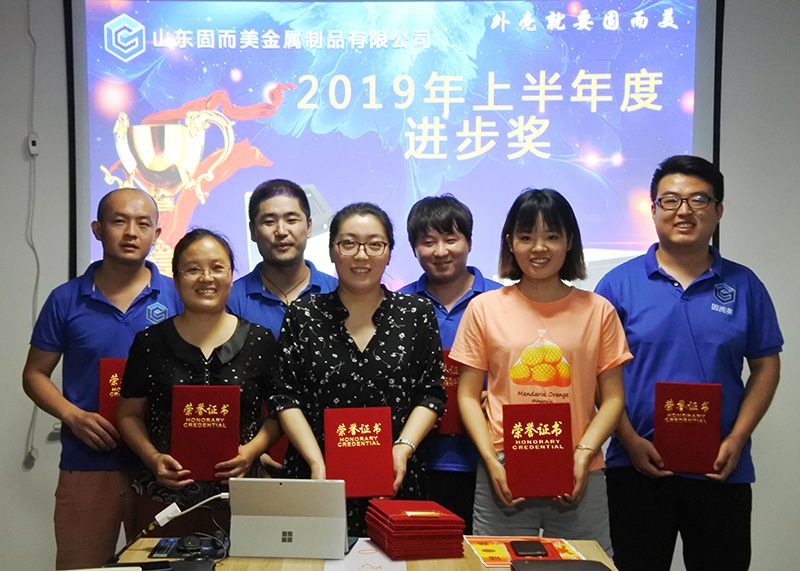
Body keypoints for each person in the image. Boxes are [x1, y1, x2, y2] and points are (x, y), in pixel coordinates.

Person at [594, 155, 783, 571]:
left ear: (718, 210)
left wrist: (738, 438)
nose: (684, 211)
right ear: (653, 208)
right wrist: (628, 438)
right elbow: (598, 373)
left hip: (721, 468)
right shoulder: (618, 285)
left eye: (698, 200)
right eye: (671, 200)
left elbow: (766, 365)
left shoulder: (745, 284)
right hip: (636, 465)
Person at [450, 188, 630, 554]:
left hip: (579, 465)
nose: (539, 248)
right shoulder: (484, 308)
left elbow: (613, 399)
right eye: (526, 237)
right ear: (510, 243)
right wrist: (490, 461)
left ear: (569, 242)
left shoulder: (598, 311)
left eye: (552, 236)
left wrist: (583, 454)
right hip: (504, 466)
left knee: (587, 563)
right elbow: (467, 395)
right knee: (498, 562)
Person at [22, 187, 182, 570]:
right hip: (88, 461)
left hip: (163, 464)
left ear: (157, 234)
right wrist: (72, 415)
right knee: (83, 566)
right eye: (119, 221)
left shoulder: (177, 296)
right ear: (97, 229)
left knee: (167, 566)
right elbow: (34, 374)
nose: (131, 232)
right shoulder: (66, 298)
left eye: (143, 223)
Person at [268, 202, 447, 536]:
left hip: (396, 477)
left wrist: (402, 449)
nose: (361, 255)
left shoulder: (417, 313)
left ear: (389, 253)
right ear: (331, 250)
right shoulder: (303, 314)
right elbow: (285, 397)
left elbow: (431, 394)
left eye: (375, 244)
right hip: (316, 478)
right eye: (348, 243)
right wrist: (316, 462)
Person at [117, 229, 279, 537]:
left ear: (231, 276)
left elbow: (279, 414)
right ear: (176, 280)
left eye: (217, 268)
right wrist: (153, 458)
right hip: (164, 501)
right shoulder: (149, 342)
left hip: (243, 498)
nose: (206, 278)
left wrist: (251, 451)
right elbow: (128, 414)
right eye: (193, 269)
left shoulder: (259, 340)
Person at [398, 194, 501, 533]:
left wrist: (498, 398)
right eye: (428, 242)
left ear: (469, 242)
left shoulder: (501, 301)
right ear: (414, 249)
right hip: (415, 461)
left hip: (487, 461)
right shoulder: (398, 307)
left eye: (451, 239)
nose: (440, 251)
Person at [227, 178, 337, 337]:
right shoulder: (231, 301)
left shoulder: (338, 292)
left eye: (291, 220)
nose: (281, 231)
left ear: (309, 227)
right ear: (252, 231)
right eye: (269, 222)